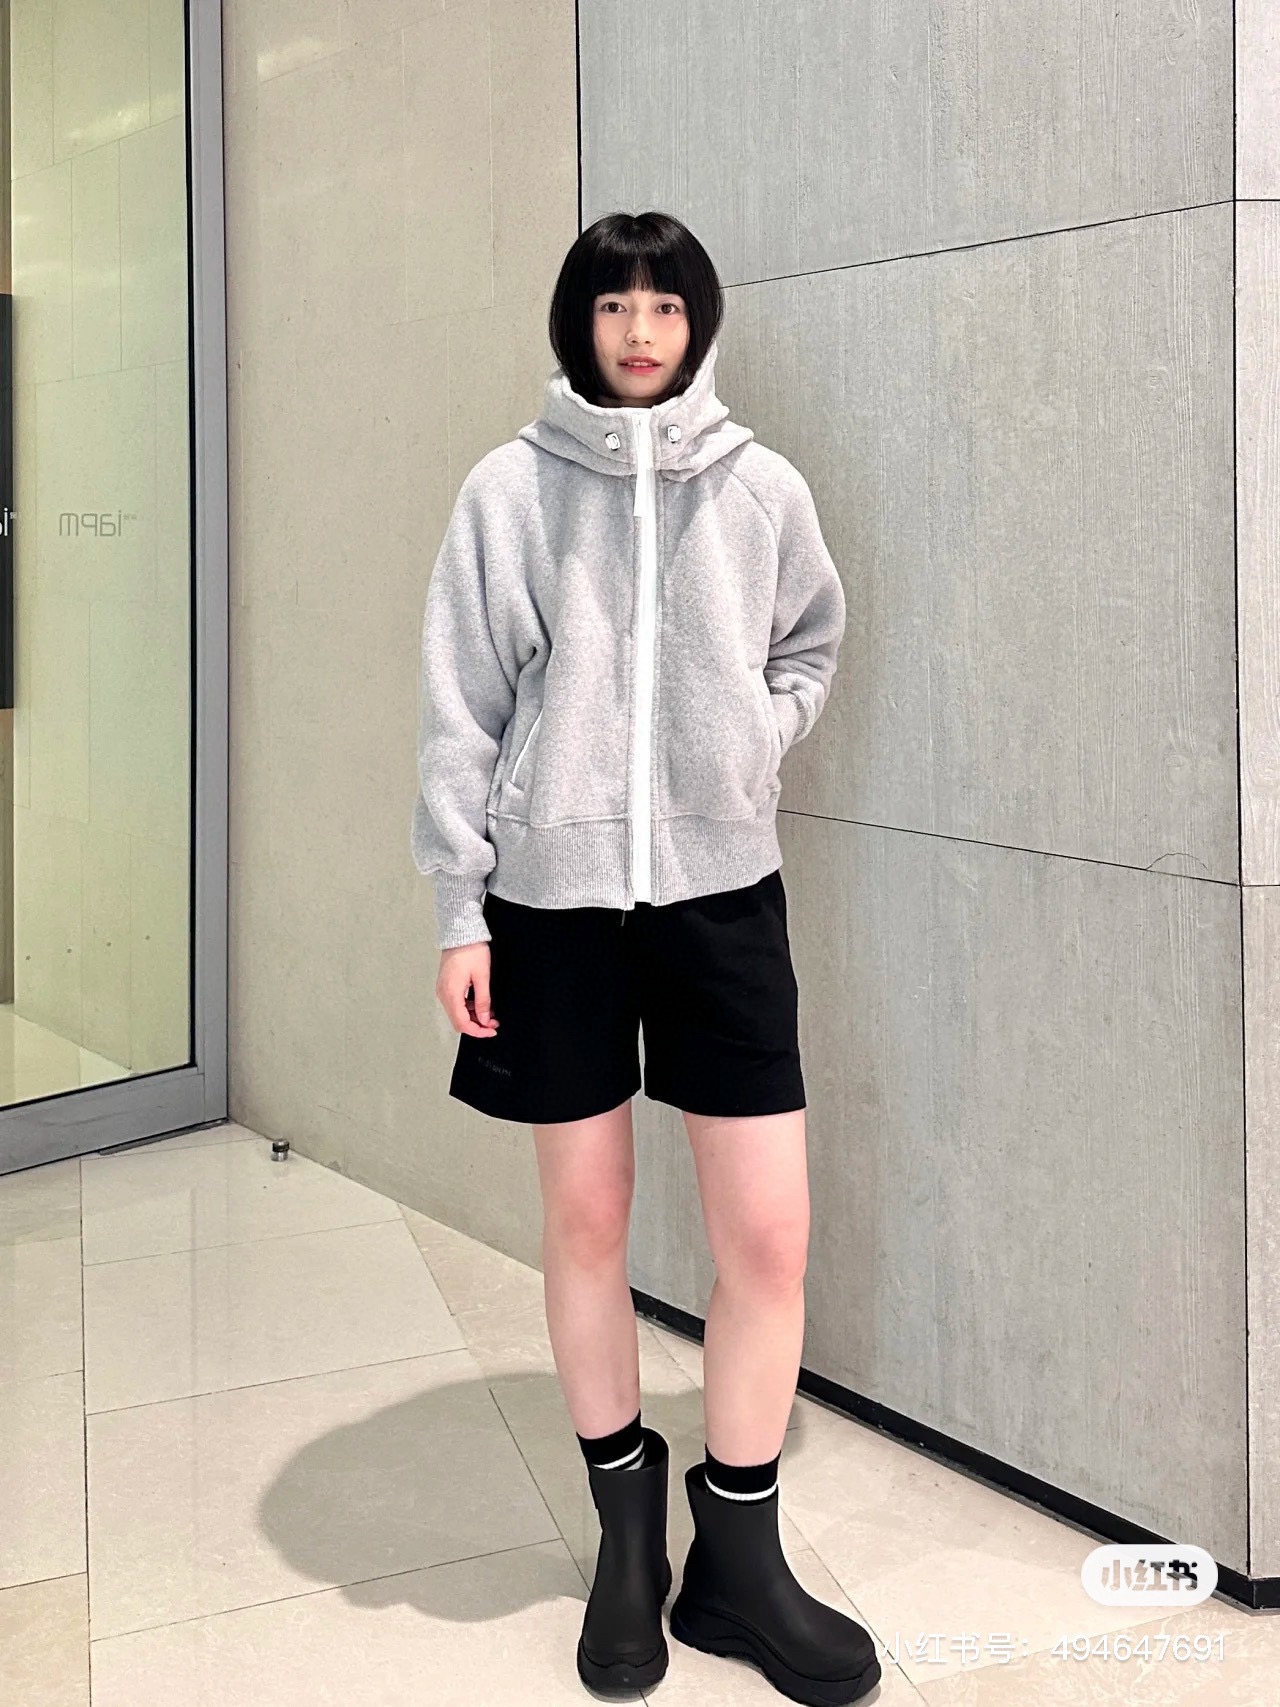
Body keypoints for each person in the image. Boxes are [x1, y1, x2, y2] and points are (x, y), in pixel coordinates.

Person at [411, 210, 881, 1706]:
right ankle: (627, 1537)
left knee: (768, 1238)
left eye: (664, 305)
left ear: (697, 323)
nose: (638, 329)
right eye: (613, 303)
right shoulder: (509, 491)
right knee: (587, 1223)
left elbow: (810, 644)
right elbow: (462, 707)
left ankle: (738, 1558)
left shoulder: (759, 487)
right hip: (550, 909)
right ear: (579, 321)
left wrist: (749, 743)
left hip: (721, 898)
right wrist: (461, 909)